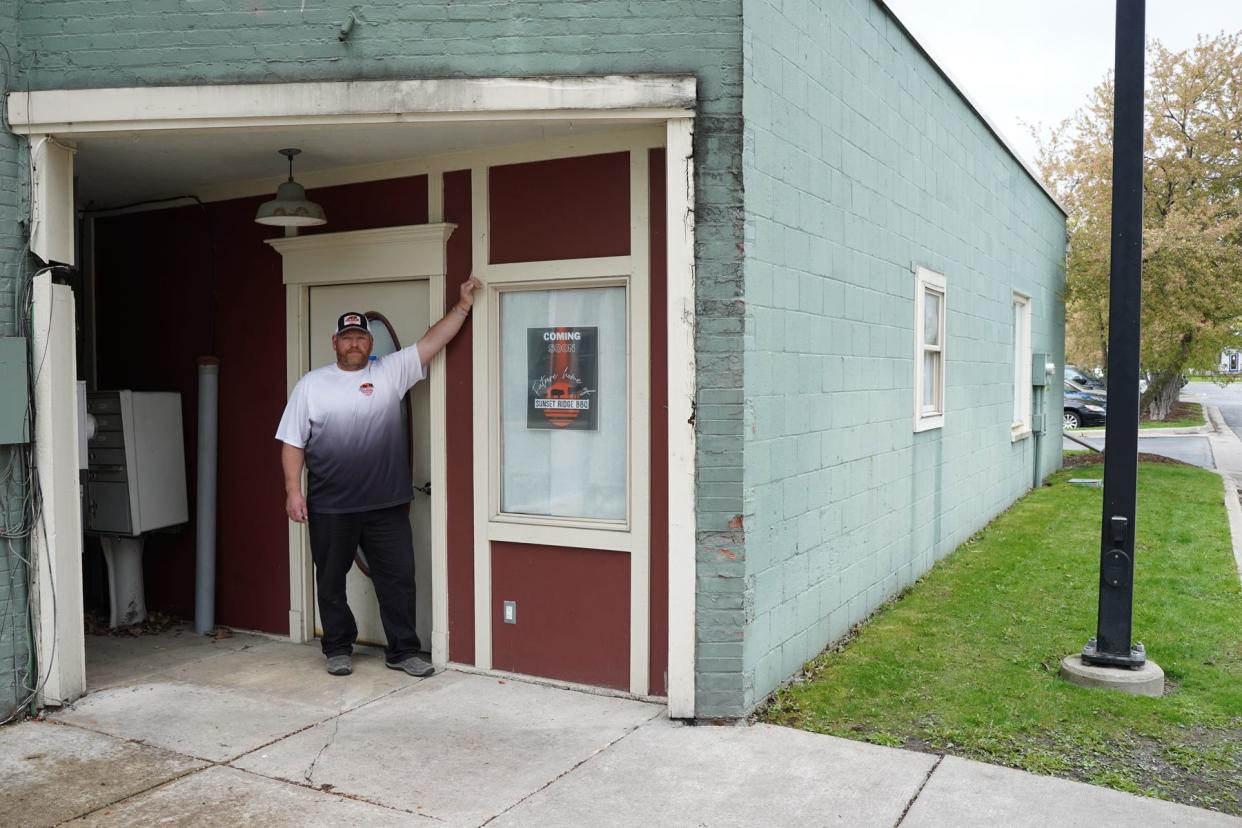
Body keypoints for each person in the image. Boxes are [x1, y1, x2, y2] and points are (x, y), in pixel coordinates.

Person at [276, 276, 482, 676]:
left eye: (361, 338)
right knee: (331, 579)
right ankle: (337, 647)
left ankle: (403, 651)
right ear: (334, 342)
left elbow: (432, 342)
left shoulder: (390, 372)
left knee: (399, 579)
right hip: (331, 505)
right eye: (347, 337)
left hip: (386, 504)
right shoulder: (311, 386)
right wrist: (292, 491)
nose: (355, 343)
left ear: (370, 343)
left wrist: (462, 306)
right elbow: (292, 442)